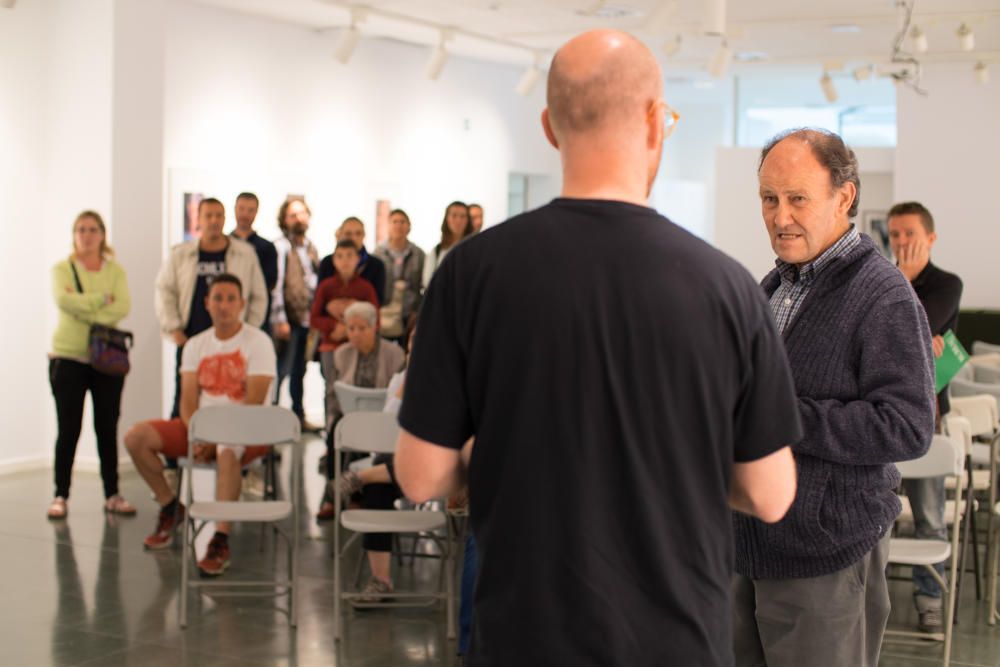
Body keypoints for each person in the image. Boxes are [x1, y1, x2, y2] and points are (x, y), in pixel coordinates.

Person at [393, 29, 801, 666]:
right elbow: (771, 493)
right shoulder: (727, 288)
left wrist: (511, 451)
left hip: (522, 637)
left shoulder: (469, 274)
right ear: (653, 123)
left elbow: (420, 474)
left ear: (550, 127)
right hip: (676, 642)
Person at [731, 129, 937, 667]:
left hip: (824, 554)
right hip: (745, 543)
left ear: (844, 197)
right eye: (769, 199)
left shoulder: (884, 295)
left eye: (797, 198)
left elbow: (908, 426)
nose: (780, 217)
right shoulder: (773, 286)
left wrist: (779, 417)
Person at [124, 274, 276, 576]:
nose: (224, 305)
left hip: (246, 429)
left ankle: (220, 537)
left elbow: (255, 403)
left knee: (226, 450)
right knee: (135, 437)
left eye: (231, 298)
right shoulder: (195, 345)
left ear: (242, 304)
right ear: (207, 303)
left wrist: (215, 437)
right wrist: (198, 436)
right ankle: (171, 506)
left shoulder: (258, 342)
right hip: (200, 428)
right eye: (217, 298)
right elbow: (188, 401)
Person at [888, 200, 963, 633]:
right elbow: (898, 334)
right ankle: (872, 593)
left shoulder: (948, 284)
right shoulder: (879, 278)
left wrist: (904, 287)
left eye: (910, 234)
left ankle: (928, 599)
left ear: (930, 238)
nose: (901, 242)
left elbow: (906, 328)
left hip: (927, 418)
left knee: (930, 516)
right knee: (875, 509)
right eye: (895, 234)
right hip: (882, 410)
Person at [47, 210, 134, 519]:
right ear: (74, 234)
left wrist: (84, 306)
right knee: (68, 428)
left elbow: (122, 305)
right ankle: (61, 494)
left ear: (102, 234)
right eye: (81, 229)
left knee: (106, 427)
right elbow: (64, 301)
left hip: (106, 361)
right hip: (68, 357)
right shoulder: (62, 269)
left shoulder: (116, 272)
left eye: (93, 229)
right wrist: (101, 300)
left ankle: (112, 493)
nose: (87, 235)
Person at [155, 197, 268, 418]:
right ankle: (183, 448)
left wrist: (247, 331)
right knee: (184, 399)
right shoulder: (181, 254)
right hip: (191, 338)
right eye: (209, 215)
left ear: (225, 219)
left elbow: (258, 295)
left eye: (219, 215)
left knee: (229, 395)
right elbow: (164, 290)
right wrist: (175, 329)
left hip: (232, 342)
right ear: (199, 219)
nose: (214, 221)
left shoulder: (244, 254)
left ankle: (225, 445)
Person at [316, 301, 404, 520]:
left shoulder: (394, 354)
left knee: (365, 435)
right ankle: (332, 496)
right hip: (351, 415)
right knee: (337, 431)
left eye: (361, 328)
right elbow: (333, 394)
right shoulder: (342, 354)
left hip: (385, 419)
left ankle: (356, 495)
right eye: (350, 328)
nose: (355, 334)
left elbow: (397, 394)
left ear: (374, 327)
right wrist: (331, 419)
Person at [312, 239, 380, 430]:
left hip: (357, 348)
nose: (345, 261)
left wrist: (353, 329)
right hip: (331, 346)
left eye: (350, 256)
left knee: (358, 388)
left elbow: (376, 318)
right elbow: (314, 318)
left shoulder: (365, 288)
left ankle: (359, 432)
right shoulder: (326, 286)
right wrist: (334, 326)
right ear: (334, 260)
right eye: (340, 256)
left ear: (358, 259)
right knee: (331, 390)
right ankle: (331, 432)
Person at [270, 197, 320, 429]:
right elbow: (277, 284)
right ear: (284, 220)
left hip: (306, 320)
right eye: (292, 215)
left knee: (299, 371)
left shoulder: (310, 248)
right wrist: (279, 319)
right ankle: (271, 422)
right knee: (280, 371)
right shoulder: (280, 247)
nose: (298, 219)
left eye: (301, 214)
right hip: (287, 320)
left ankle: (298, 418)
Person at [373, 209, 425, 344]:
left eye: (402, 222)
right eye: (395, 222)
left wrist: (416, 309)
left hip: (408, 312)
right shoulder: (378, 253)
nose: (398, 225)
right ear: (388, 225)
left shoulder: (418, 254)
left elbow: (422, 284)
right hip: (384, 311)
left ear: (409, 226)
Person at [231, 192, 278, 335]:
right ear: (235, 209)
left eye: (250, 210)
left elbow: (269, 283)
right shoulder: (225, 245)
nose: (245, 214)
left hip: (257, 316)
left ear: (256, 212)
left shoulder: (267, 247)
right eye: (242, 208)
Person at [318, 217, 386, 305]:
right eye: (348, 234)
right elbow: (319, 300)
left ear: (364, 235)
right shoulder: (327, 263)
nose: (353, 238)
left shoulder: (377, 265)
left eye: (358, 233)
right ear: (341, 235)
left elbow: (378, 301)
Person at [422, 201, 473, 289]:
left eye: (463, 216)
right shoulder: (436, 251)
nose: (458, 220)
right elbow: (428, 282)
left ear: (468, 220)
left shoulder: (476, 250)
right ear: (447, 219)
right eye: (454, 215)